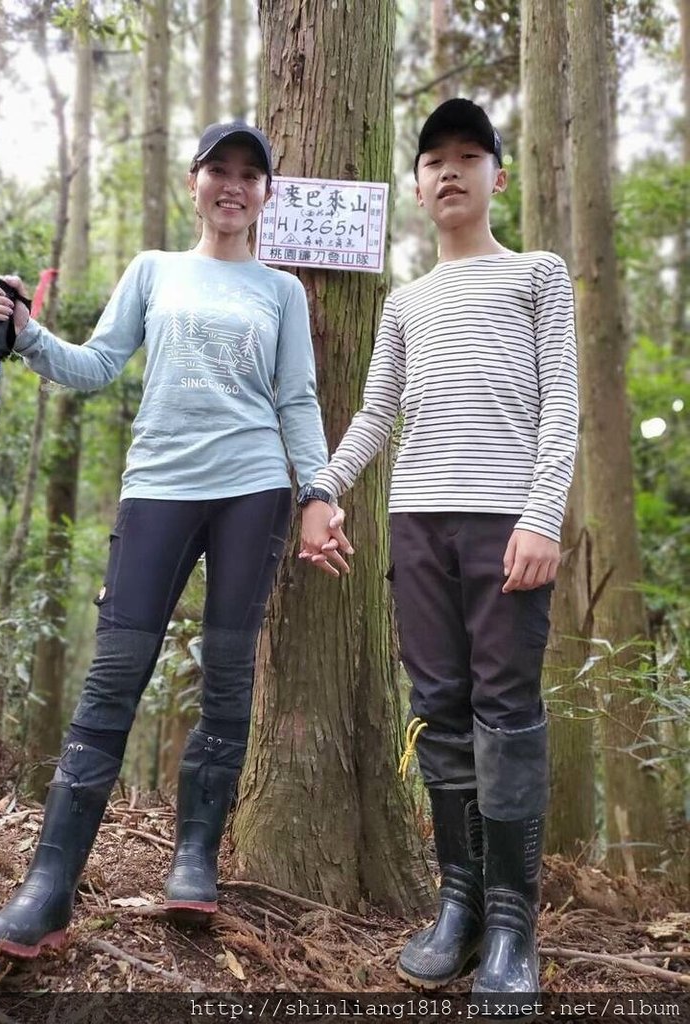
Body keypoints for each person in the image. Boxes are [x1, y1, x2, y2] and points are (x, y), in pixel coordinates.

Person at [0, 121, 349, 959]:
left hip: (254, 490)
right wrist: (29, 334)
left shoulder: (281, 291)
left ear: (264, 197)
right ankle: (48, 885)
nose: (233, 185)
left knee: (225, 679)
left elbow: (296, 402)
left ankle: (194, 859)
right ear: (194, 182)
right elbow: (99, 364)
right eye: (220, 169)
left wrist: (319, 490)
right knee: (113, 679)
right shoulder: (154, 271)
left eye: (250, 175)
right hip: (158, 487)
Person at [299, 99, 578, 997]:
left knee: (507, 706)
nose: (450, 170)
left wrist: (542, 514)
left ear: (499, 175)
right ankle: (458, 902)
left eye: (469, 154)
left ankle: (510, 924)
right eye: (433, 160)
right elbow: (380, 410)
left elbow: (562, 406)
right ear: (417, 189)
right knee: (441, 705)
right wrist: (325, 488)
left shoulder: (540, 273)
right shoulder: (406, 301)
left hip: (507, 524)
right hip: (418, 522)